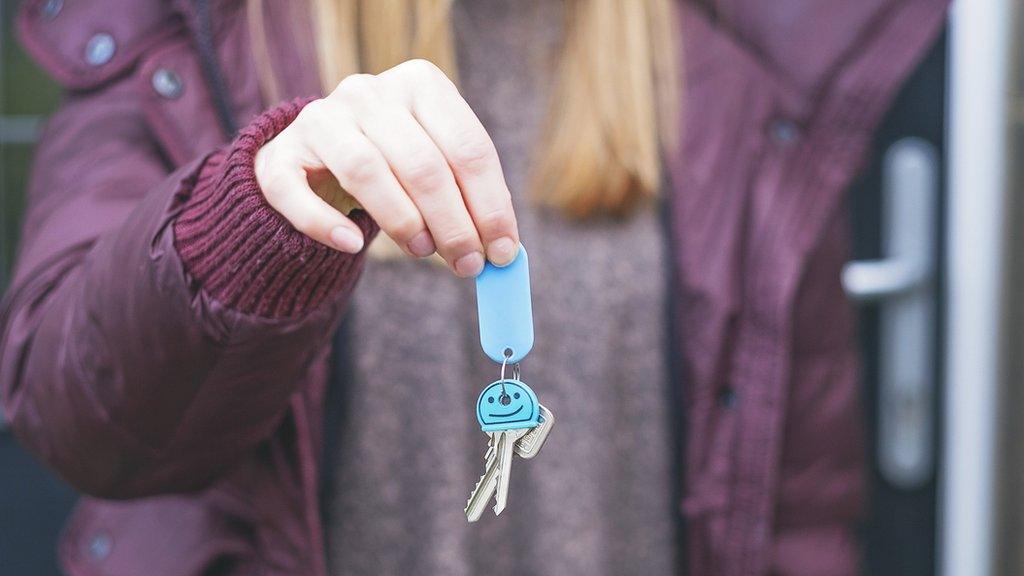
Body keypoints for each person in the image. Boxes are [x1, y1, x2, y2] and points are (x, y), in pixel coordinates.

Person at [1, 0, 948, 574]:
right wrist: (251, 214)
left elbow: (796, 513)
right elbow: (81, 419)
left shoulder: (736, 92)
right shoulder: (184, 50)